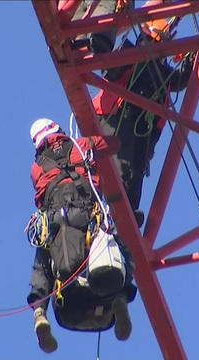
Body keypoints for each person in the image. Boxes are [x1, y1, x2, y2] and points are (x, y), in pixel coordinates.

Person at [26, 118, 137, 353]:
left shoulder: (36, 168)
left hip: (56, 218)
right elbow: (112, 145)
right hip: (88, 212)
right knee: (118, 245)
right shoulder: (80, 145)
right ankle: (120, 295)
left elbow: (40, 199)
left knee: (43, 262)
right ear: (58, 130)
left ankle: (39, 313)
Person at [93, 17, 196, 227]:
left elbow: (182, 79)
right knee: (120, 167)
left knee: (135, 171)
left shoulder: (163, 73)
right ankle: (114, 215)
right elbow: (109, 70)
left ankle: (126, 214)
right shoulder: (130, 55)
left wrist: (191, 56)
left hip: (142, 130)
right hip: (117, 118)